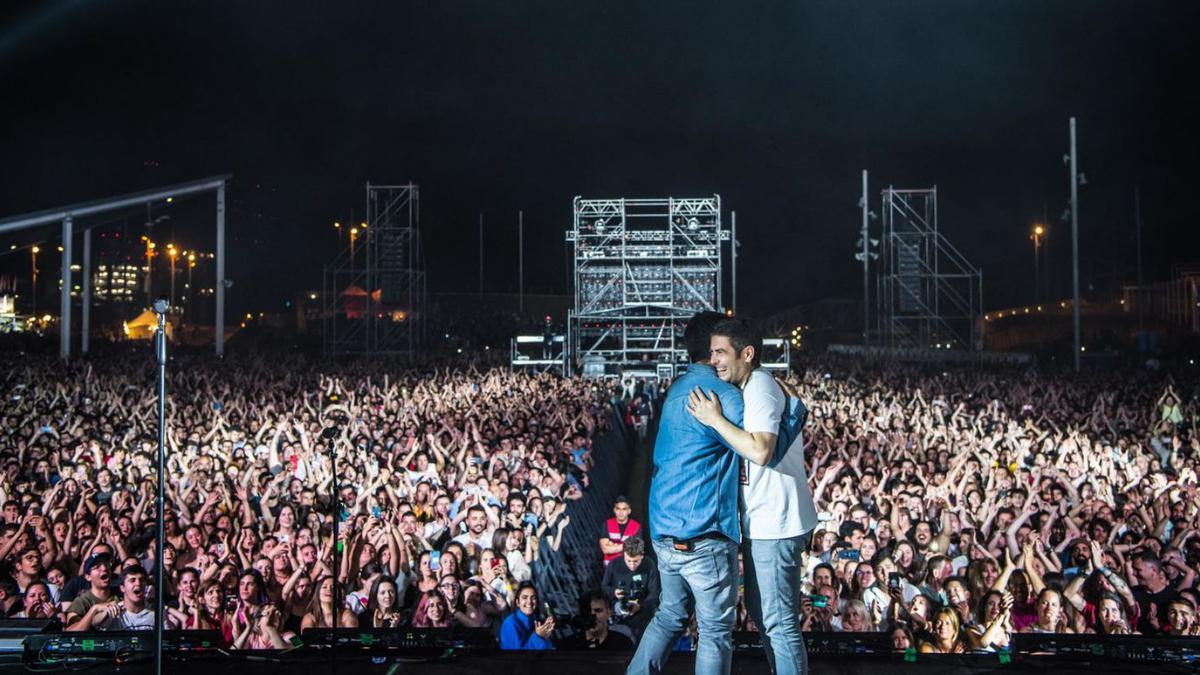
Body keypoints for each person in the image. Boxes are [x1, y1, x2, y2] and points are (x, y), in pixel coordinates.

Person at [628, 311, 755, 675]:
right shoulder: (723, 395)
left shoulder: (678, 389)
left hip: (665, 531)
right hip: (704, 534)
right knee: (714, 632)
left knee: (669, 615)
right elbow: (763, 443)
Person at [687, 316, 816, 675]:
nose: (714, 360)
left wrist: (715, 420)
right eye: (711, 352)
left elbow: (760, 450)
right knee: (765, 615)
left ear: (747, 353)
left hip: (775, 522)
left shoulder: (759, 385)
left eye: (721, 352)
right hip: (765, 522)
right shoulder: (754, 385)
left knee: (779, 623)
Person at [601, 535, 659, 636]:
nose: (632, 565)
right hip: (619, 613)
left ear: (642, 555)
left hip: (643, 613)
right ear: (624, 554)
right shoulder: (614, 564)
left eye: (636, 561)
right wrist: (614, 592)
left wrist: (640, 606)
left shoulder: (649, 564)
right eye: (628, 561)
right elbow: (604, 587)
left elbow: (654, 592)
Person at [68, 566, 154, 631]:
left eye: (142, 580)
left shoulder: (156, 613)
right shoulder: (114, 611)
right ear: (122, 588)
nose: (138, 583)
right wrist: (96, 609)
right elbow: (94, 621)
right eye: (132, 580)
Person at [562, 592, 634, 651]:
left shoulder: (623, 644)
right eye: (587, 611)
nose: (592, 615)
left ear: (608, 612)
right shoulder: (567, 646)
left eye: (598, 611)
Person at [498, 582, 554, 650]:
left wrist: (545, 637)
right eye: (525, 598)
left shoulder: (533, 618)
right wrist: (538, 637)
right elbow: (517, 657)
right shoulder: (510, 624)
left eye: (533, 598)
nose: (529, 602)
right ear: (518, 602)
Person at [600, 496, 642, 566]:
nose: (621, 512)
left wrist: (612, 544)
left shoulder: (637, 527)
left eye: (624, 509)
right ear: (614, 510)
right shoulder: (607, 524)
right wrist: (627, 545)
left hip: (628, 567)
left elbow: (636, 550)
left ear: (629, 511)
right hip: (609, 567)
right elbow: (605, 549)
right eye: (618, 509)